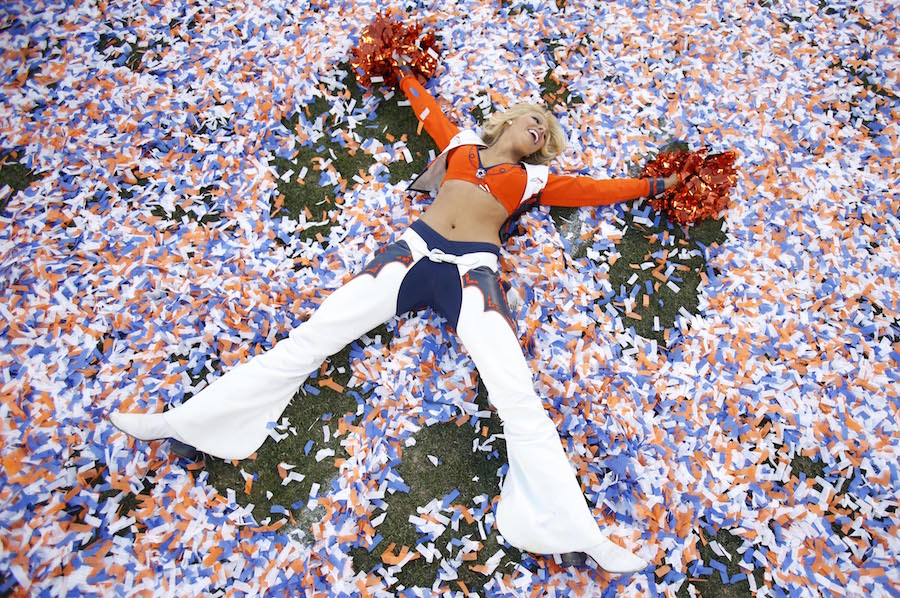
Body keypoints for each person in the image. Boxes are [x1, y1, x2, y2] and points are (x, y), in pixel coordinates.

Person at [110, 68, 679, 574]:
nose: (539, 129)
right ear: (508, 120)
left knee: (517, 395)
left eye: (545, 133)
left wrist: (659, 186)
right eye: (534, 119)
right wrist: (402, 71)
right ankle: (191, 424)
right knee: (309, 341)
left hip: (472, 276)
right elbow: (428, 111)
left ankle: (573, 531)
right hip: (408, 255)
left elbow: (600, 190)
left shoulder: (534, 181)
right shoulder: (460, 147)